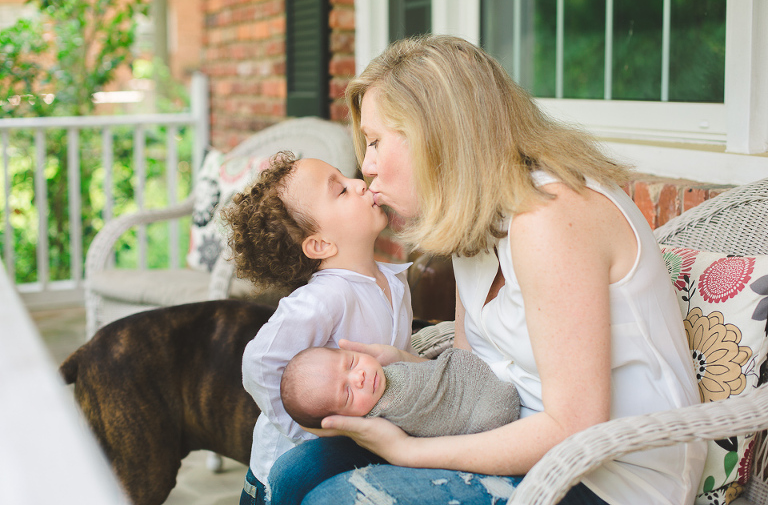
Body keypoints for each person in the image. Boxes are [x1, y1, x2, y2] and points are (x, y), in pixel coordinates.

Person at [265, 35, 706, 505]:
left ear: (435, 135)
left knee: (332, 501)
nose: (367, 166)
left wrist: (409, 451)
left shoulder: (550, 217)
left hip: (611, 473)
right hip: (511, 424)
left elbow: (575, 427)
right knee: (294, 472)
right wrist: (405, 369)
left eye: (375, 142)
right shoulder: (474, 215)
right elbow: (475, 368)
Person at [221, 151, 414, 505]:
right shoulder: (323, 298)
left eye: (346, 177)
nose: (359, 183)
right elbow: (259, 362)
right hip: (281, 482)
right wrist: (308, 430)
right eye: (340, 190)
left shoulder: (393, 281)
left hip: (350, 459)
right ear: (319, 244)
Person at [281, 346, 520, 436]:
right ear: (345, 419)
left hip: (470, 378)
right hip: (479, 415)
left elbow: (434, 373)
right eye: (348, 393)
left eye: (352, 362)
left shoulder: (387, 368)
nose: (360, 377)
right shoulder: (377, 420)